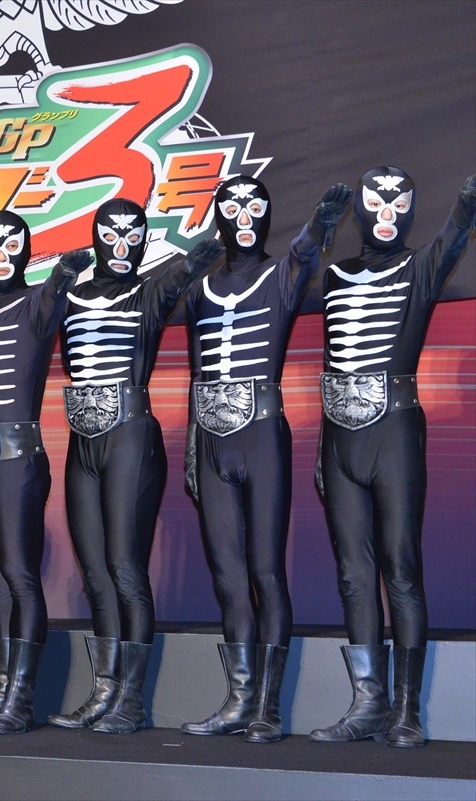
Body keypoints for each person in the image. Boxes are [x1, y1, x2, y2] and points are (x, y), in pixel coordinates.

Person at [181, 178, 352, 743]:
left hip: (262, 436)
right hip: (212, 440)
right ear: (219, 218)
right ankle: (238, 700)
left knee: (266, 571)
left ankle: (267, 708)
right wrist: (192, 446)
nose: (244, 216)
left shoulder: (281, 273)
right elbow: (197, 371)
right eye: (232, 207)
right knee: (228, 576)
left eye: (255, 206)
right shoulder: (200, 288)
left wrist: (320, 224)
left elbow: (304, 250)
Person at [311, 169, 475, 749]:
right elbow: (329, 359)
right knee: (353, 574)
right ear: (358, 208)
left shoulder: (418, 268)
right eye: (375, 201)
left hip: (395, 434)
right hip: (339, 439)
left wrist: (466, 203)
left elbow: (452, 238)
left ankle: (407, 710)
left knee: (400, 568)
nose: (386, 212)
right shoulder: (334, 275)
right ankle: (368, 704)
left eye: (397, 202)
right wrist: (323, 446)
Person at [47, 198, 223, 735]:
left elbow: (175, 281)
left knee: (126, 568)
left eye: (133, 235)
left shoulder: (148, 292)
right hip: (83, 441)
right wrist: (57, 278)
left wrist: (193, 262)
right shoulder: (72, 295)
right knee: (96, 575)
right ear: (96, 237)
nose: (122, 246)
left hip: (131, 438)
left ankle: (131, 700)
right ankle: (104, 691)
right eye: (111, 234)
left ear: (145, 241)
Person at [0, 211, 89, 735]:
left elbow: (53, 296)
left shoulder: (36, 303)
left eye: (12, 242)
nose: (0, 252)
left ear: (27, 250)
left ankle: (21, 701)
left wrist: (63, 274)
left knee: (20, 577)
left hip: (16, 462)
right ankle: (1, 692)